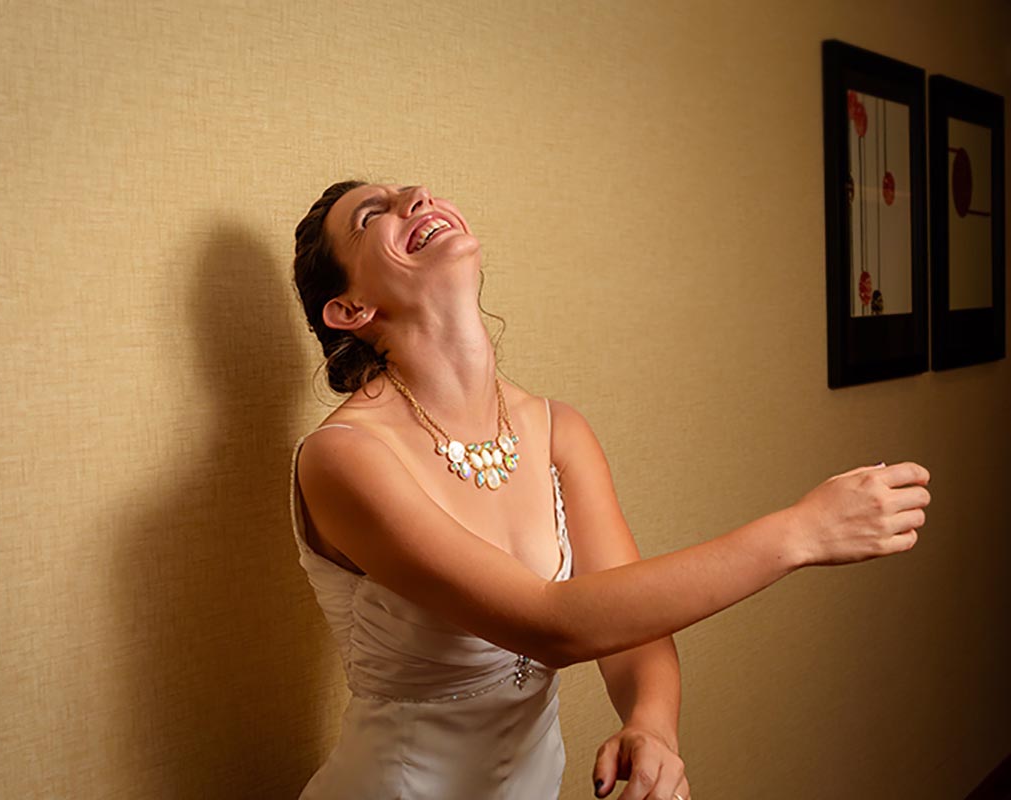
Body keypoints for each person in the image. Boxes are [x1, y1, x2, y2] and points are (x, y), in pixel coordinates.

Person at [287, 181, 931, 800]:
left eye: (410, 192)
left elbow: (631, 626)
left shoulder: (556, 428)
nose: (416, 197)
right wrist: (799, 534)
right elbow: (549, 625)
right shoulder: (345, 458)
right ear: (350, 310)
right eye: (374, 215)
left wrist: (652, 724)